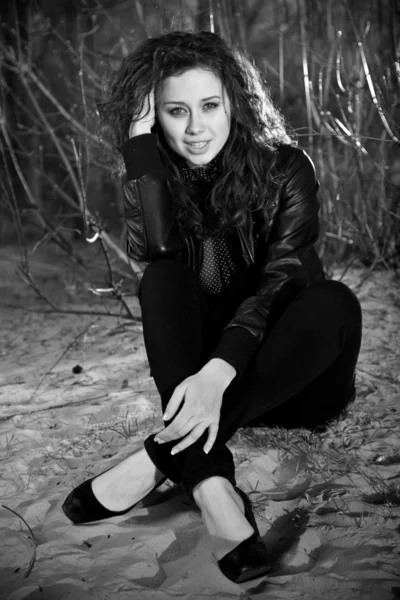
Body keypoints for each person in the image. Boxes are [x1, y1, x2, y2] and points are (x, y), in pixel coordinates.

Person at [62, 30, 362, 583]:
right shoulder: (159, 174)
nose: (196, 128)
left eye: (209, 106)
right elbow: (157, 258)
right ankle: (213, 487)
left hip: (289, 378)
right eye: (176, 111)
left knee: (334, 301)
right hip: (199, 388)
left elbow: (279, 284)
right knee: (162, 279)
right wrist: (140, 155)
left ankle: (160, 456)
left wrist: (219, 371)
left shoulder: (286, 169)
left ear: (235, 104)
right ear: (156, 120)